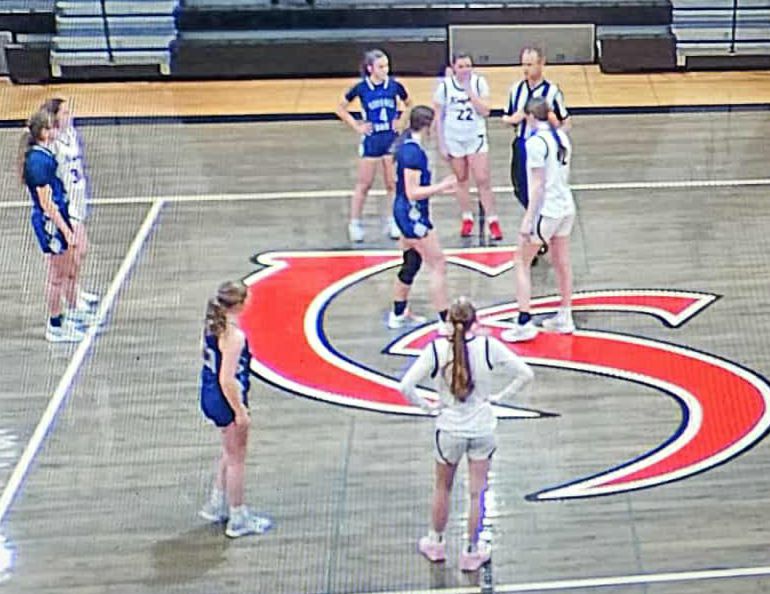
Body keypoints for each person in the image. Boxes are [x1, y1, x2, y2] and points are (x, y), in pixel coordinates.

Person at [399, 297, 534, 571]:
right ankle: (471, 551)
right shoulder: (488, 346)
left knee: (443, 487)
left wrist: (428, 407)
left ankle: (436, 543)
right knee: (477, 493)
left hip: (449, 429)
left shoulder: (437, 349)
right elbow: (525, 374)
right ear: (476, 322)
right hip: (482, 428)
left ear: (449, 322)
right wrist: (499, 398)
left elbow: (406, 386)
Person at [198, 281, 272, 538]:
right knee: (237, 459)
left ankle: (216, 503)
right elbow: (227, 379)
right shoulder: (234, 337)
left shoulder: (212, 325)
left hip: (209, 393)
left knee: (229, 453)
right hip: (225, 399)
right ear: (239, 304)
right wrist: (240, 411)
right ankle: (238, 518)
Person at [501, 96, 576, 343]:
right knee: (562, 261)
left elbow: (537, 185)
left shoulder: (535, 143)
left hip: (547, 211)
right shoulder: (561, 137)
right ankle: (565, 315)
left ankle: (524, 322)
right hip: (566, 206)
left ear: (531, 117)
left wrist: (528, 218)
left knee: (520, 261)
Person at [388, 105, 456, 330]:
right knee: (438, 263)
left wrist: (437, 189)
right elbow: (412, 192)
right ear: (428, 126)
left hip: (407, 211)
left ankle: (398, 313)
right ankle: (445, 319)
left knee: (412, 261)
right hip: (412, 216)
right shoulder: (412, 153)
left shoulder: (407, 145)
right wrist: (441, 186)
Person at [20, 110, 85, 343]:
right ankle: (56, 324)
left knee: (65, 270)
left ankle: (67, 317)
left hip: (58, 217)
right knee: (57, 275)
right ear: (44, 132)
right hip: (51, 224)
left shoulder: (44, 155)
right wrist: (66, 231)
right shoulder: (38, 162)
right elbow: (47, 203)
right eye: (52, 127)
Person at [336, 49, 411, 243]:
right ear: (370, 68)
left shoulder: (394, 86)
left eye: (387, 66)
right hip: (372, 140)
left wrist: (401, 121)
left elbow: (409, 104)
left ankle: (393, 220)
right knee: (364, 184)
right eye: (381, 66)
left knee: (392, 183)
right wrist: (357, 126)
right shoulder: (361, 88)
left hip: (390, 139)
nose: (385, 70)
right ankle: (355, 223)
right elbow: (340, 108)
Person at [433, 53, 502, 240]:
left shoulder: (479, 83)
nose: (465, 70)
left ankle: (492, 220)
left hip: (475, 137)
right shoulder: (445, 87)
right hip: (454, 138)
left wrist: (470, 93)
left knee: (482, 179)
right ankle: (467, 217)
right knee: (461, 179)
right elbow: (438, 117)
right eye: (461, 66)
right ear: (453, 68)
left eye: (468, 66)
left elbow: (485, 111)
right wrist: (441, 144)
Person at [44, 98, 99, 317]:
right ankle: (70, 303)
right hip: (67, 206)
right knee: (74, 254)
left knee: (79, 254)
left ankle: (75, 291)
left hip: (79, 198)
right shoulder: (52, 142)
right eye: (65, 112)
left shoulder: (71, 134)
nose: (70, 115)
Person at [503, 47, 570, 212]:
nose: (526, 69)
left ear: (541, 64)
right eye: (523, 64)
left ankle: (540, 217)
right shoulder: (516, 89)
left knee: (541, 184)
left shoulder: (552, 91)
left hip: (543, 145)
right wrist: (515, 118)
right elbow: (506, 117)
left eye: (530, 64)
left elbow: (566, 121)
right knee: (520, 186)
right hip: (522, 143)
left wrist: (557, 139)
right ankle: (532, 214)